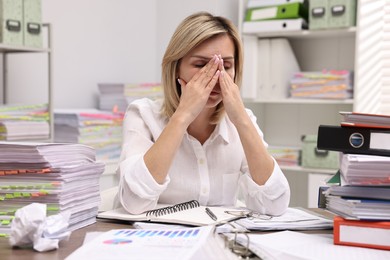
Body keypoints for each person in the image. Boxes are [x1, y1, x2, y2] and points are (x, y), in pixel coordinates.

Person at [116, 11, 290, 215]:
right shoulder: (143, 115)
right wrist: (182, 117)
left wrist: (241, 119)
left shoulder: (243, 122)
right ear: (176, 69)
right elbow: (133, 202)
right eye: (200, 65)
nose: (216, 77)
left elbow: (275, 205)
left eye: (226, 66)